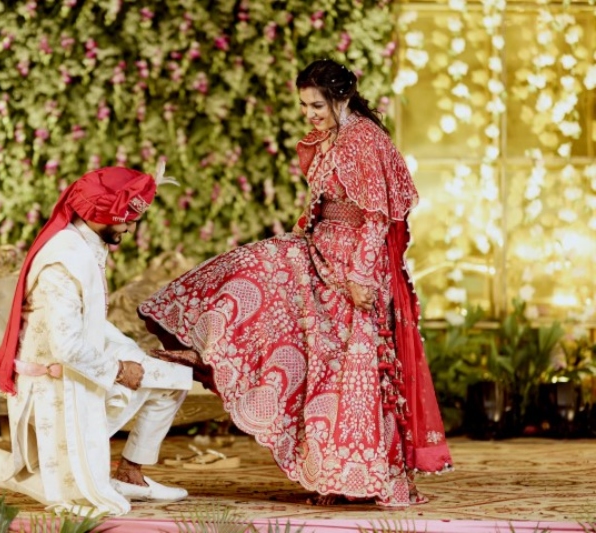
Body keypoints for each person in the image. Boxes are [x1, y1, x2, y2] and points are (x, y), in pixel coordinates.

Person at [138, 59, 453, 507]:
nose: (309, 113)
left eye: (316, 105)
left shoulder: (363, 140)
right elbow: (322, 202)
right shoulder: (331, 137)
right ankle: (212, 345)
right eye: (304, 105)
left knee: (347, 373)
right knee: (261, 273)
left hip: (352, 270)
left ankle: (363, 477)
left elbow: (377, 218)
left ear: (342, 98)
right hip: (320, 250)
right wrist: (306, 229)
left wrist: (360, 276)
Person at [0, 165, 191, 516]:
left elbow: (89, 322)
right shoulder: (63, 262)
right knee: (90, 501)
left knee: (174, 377)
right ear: (99, 213)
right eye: (126, 219)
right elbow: (66, 346)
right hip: (53, 387)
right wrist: (119, 369)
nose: (130, 228)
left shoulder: (87, 245)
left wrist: (139, 356)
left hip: (82, 370)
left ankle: (131, 473)